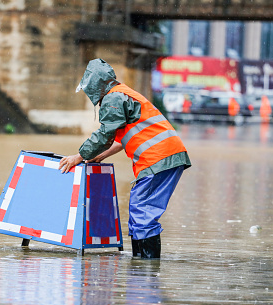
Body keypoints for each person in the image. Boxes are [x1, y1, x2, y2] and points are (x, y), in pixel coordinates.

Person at [58, 58, 191, 259]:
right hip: (166, 156)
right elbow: (120, 140)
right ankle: (141, 267)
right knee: (140, 210)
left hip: (158, 158)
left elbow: (105, 134)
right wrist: (98, 156)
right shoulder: (124, 93)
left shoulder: (113, 98)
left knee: (142, 211)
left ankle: (146, 271)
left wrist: (79, 156)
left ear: (95, 84)